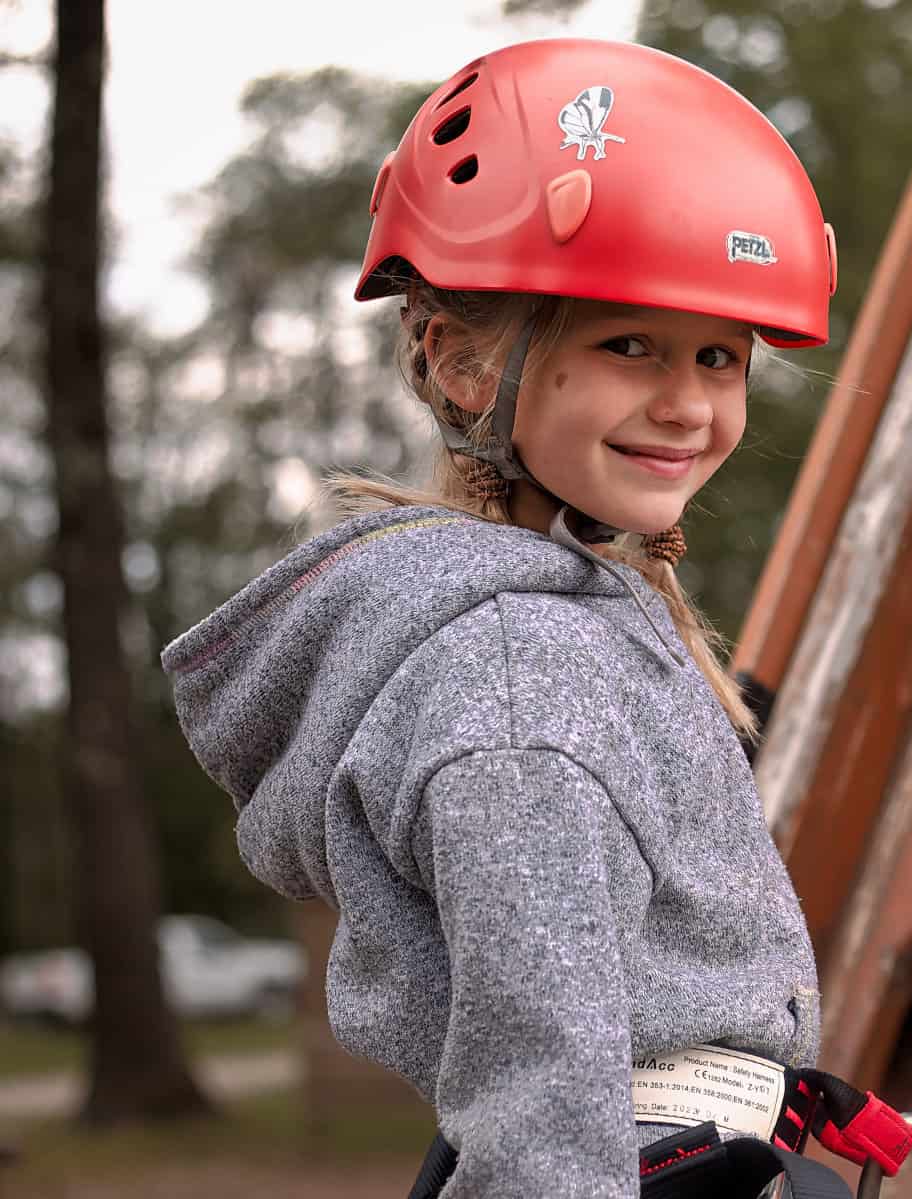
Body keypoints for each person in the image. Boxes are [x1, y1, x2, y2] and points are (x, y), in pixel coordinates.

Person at [161, 37, 870, 1198]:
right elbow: (542, 1091)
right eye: (627, 345)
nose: (687, 402)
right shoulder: (514, 676)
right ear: (463, 363)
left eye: (721, 356)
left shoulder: (573, 617)